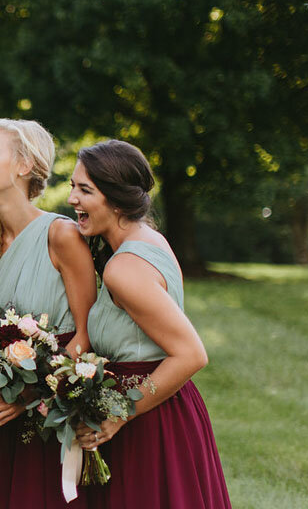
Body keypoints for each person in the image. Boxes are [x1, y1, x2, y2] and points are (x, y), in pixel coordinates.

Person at [68, 139, 231, 508]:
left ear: (115, 199)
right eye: (72, 186)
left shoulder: (123, 269)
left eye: (84, 190)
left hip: (147, 419)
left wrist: (119, 412)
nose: (72, 199)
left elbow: (191, 354)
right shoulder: (150, 240)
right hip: (162, 409)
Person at [0, 118, 96, 509]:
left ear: (24, 166)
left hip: (54, 411)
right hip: (9, 410)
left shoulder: (61, 235)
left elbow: (88, 337)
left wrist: (30, 395)